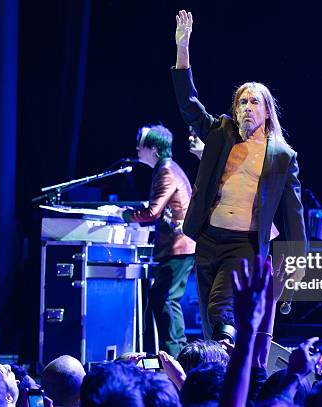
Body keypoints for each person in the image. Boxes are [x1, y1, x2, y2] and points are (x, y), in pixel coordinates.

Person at [171, 10, 307, 341]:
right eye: (242, 101)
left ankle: (227, 346)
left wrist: (298, 261)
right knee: (208, 317)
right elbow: (190, 106)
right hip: (208, 238)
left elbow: (294, 215)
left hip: (244, 244)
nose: (247, 107)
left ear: (267, 110)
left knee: (221, 307)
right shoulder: (220, 132)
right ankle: (221, 367)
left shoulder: (281, 156)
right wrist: (183, 48)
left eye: (254, 102)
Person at [113, 125, 196, 357]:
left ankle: (175, 359)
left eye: (142, 144)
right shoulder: (167, 168)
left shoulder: (166, 171)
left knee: (166, 301)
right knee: (160, 300)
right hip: (177, 246)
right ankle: (169, 357)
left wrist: (126, 215)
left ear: (154, 149)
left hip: (178, 247)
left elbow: (153, 212)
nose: (138, 149)